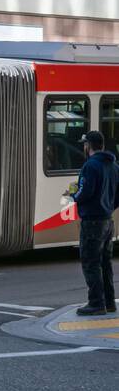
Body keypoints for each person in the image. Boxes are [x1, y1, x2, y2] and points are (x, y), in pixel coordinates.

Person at [69, 130, 118, 316]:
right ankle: (109, 302)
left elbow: (85, 191)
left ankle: (96, 303)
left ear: (88, 146)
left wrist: (73, 196)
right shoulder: (114, 166)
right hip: (108, 220)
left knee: (90, 262)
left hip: (92, 221)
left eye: (85, 144)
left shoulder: (90, 166)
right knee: (105, 263)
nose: (84, 146)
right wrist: (108, 207)